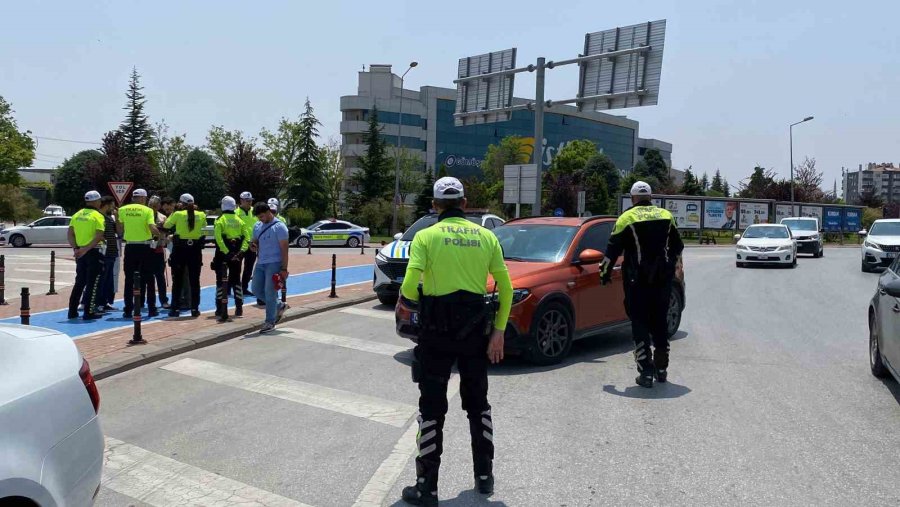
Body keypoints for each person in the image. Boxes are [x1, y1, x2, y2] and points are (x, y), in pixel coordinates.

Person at [397, 177, 512, 506]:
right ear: (464, 203)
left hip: (436, 334)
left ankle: (427, 488)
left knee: (431, 410)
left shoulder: (426, 236)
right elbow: (505, 288)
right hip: (476, 334)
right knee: (479, 406)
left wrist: (420, 304)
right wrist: (499, 331)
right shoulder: (487, 236)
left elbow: (407, 289)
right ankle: (485, 477)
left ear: (434, 207)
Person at [601, 181, 685, 388]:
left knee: (639, 323)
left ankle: (646, 372)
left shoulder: (626, 218)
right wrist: (670, 265)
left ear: (632, 198)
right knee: (659, 322)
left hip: (637, 281)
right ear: (651, 197)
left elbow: (611, 251)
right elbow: (678, 245)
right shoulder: (666, 215)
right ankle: (662, 369)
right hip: (662, 281)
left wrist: (604, 274)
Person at [118, 188, 160, 327]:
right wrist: (158, 235)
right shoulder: (147, 211)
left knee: (129, 279)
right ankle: (152, 308)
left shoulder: (123, 210)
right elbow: (152, 227)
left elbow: (119, 229)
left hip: (130, 247)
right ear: (143, 198)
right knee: (149, 278)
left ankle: (128, 309)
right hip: (145, 247)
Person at [67, 191, 107, 320]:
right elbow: (99, 235)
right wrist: (86, 249)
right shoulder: (98, 216)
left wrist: (76, 249)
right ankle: (89, 312)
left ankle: (72, 311)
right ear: (96, 201)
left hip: (80, 253)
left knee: (79, 282)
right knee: (93, 283)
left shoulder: (76, 215)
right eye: (99, 201)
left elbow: (70, 234)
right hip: (93, 251)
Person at [165, 194, 206, 318]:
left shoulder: (177, 214)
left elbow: (166, 225)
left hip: (180, 249)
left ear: (180, 203)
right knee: (194, 280)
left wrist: (176, 211)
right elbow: (202, 227)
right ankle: (194, 308)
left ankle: (175, 308)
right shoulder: (201, 214)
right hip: (195, 250)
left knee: (177, 281)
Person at [250, 202, 288, 333]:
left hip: (274, 262)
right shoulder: (257, 226)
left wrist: (284, 268)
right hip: (260, 262)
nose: (260, 219)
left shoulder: (279, 227)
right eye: (258, 217)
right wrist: (252, 245)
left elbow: (284, 249)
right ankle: (279, 305)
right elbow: (254, 241)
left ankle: (270, 321)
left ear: (268, 212)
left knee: (269, 292)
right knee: (255, 289)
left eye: (261, 216)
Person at [213, 196, 250, 321]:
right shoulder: (240, 220)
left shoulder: (220, 220)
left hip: (223, 254)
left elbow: (218, 238)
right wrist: (241, 252)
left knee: (220, 282)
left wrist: (226, 252)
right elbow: (247, 238)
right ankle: (239, 308)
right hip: (237, 254)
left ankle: (219, 308)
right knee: (236, 281)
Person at [147, 196, 170, 309]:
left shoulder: (163, 217)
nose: (153, 208)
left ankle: (163, 300)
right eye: (151, 205)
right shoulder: (145, 215)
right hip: (146, 249)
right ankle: (144, 301)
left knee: (160, 276)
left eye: (155, 206)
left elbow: (166, 231)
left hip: (159, 249)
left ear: (159, 206)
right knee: (146, 277)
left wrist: (160, 231)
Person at [97, 196, 120, 312]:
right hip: (104, 253)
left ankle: (106, 302)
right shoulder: (99, 217)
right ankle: (99, 303)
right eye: (112, 205)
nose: (114, 207)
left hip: (112, 252)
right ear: (107, 204)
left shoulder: (110, 218)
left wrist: (117, 217)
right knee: (102, 278)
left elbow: (119, 232)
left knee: (109, 279)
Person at [236, 191, 258, 296]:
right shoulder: (236, 213)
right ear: (241, 201)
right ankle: (235, 286)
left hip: (252, 243)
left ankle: (244, 287)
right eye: (247, 201)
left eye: (250, 201)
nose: (249, 203)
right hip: (240, 244)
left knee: (249, 267)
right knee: (237, 267)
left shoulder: (254, 212)